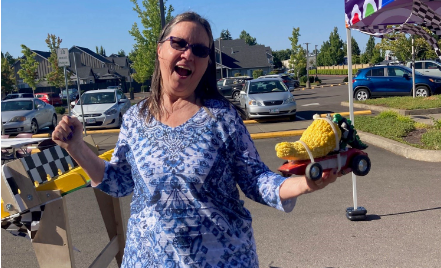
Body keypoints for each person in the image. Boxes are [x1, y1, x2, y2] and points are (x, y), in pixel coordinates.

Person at [52, 12, 342, 268]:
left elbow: (255, 180)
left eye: (200, 50)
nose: (188, 54)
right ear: (160, 50)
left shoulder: (222, 118)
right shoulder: (135, 119)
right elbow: (120, 182)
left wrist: (305, 183)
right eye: (179, 43)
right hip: (147, 259)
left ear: (206, 64)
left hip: (221, 260)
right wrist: (76, 147)